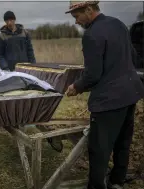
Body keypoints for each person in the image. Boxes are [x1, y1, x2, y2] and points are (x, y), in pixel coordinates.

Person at [64, 1, 144, 189]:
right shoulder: (118, 24)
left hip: (109, 101)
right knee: (123, 143)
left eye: (77, 16)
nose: (76, 22)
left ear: (89, 10)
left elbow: (93, 75)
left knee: (99, 150)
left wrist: (76, 86)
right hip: (130, 94)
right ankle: (117, 181)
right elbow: (132, 57)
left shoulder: (91, 35)